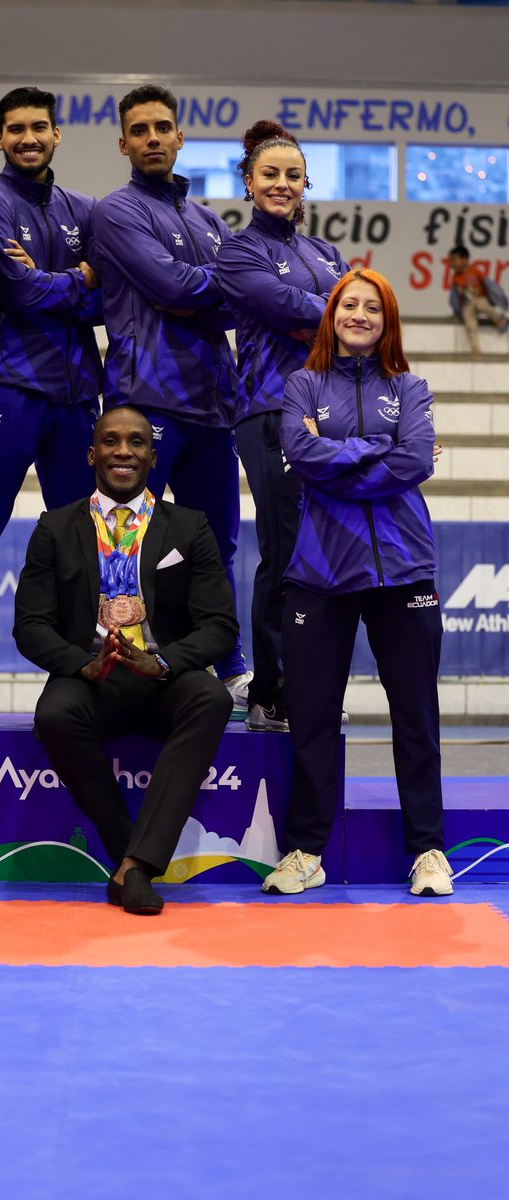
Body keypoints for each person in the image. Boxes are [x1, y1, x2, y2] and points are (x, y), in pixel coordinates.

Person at [262, 268, 452, 898]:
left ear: (387, 319)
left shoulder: (412, 386)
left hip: (403, 570)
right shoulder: (302, 384)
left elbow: (416, 458)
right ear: (332, 314)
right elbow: (300, 457)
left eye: (373, 307)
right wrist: (377, 453)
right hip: (320, 571)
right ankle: (305, 851)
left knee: (416, 717)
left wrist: (339, 456)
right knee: (314, 719)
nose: (361, 315)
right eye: (350, 305)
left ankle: (427, 849)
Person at [14, 406, 238, 916]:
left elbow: (220, 625)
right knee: (53, 714)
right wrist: (79, 664)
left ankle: (134, 867)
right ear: (92, 454)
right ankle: (132, 859)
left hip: (163, 678)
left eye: (136, 442)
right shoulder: (54, 527)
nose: (123, 451)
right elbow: (30, 625)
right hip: (91, 677)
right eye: (111, 441)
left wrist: (163, 664)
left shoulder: (189, 527)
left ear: (152, 457)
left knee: (210, 696)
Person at [91, 84, 251, 716]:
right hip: (145, 400)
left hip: (213, 401)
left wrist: (210, 292)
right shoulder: (116, 211)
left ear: (180, 137)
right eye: (140, 130)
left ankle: (230, 666)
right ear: (124, 143)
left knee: (218, 545)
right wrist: (219, 289)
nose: (153, 138)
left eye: (163, 127)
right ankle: (118, 663)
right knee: (128, 539)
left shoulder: (210, 221)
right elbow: (174, 286)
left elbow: (240, 299)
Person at [217, 120, 349, 733]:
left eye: (292, 175)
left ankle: (311, 683)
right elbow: (302, 315)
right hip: (271, 410)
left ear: (305, 184)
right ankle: (271, 692)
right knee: (286, 551)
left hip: (333, 418)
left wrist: (336, 321)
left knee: (324, 554)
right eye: (269, 174)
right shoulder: (239, 251)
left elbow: (356, 321)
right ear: (248, 182)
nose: (281, 184)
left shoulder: (327, 254)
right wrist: (337, 318)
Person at [0, 85, 103, 622]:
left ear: (56, 134)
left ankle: (79, 679)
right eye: (17, 130)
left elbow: (108, 300)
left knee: (83, 547)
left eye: (39, 128)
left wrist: (48, 282)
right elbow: (17, 292)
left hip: (75, 400)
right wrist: (79, 277)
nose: (29, 139)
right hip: (10, 388)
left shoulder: (86, 209)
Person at [447, 244, 508, 354]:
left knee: (483, 305)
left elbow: (490, 286)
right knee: (470, 322)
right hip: (468, 304)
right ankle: (475, 347)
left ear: (465, 259)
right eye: (451, 261)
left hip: (480, 299)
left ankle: (498, 318)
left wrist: (499, 300)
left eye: (454, 260)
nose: (452, 264)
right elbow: (455, 297)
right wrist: (457, 310)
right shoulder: (456, 278)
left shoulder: (475, 271)